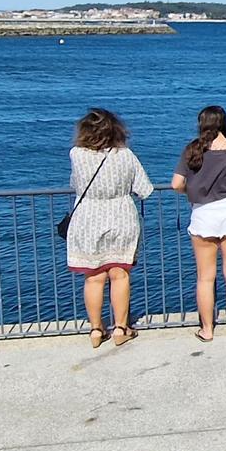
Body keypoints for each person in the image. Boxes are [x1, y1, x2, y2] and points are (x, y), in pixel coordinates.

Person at [66, 108, 154, 348]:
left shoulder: (77, 154)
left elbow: (75, 184)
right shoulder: (125, 155)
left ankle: (96, 330)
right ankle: (120, 328)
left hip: (88, 218)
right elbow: (144, 189)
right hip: (121, 216)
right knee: (119, 274)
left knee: (93, 277)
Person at [172, 105, 226, 342]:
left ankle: (207, 330)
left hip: (203, 214)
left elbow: (176, 184)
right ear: (225, 123)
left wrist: (192, 193)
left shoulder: (192, 149)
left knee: (205, 277)